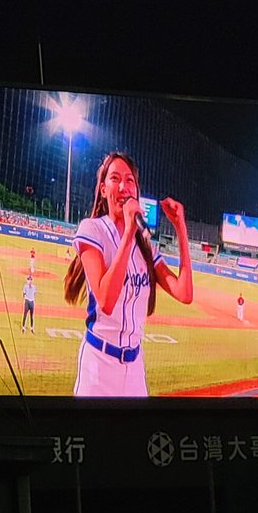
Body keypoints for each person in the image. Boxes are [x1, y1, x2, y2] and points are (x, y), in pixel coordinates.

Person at [64, 151, 193, 397]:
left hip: (134, 368)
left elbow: (184, 293)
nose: (123, 186)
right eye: (115, 178)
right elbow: (106, 301)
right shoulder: (92, 229)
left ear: (136, 191)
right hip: (98, 365)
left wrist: (181, 228)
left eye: (130, 180)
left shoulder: (145, 246)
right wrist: (128, 231)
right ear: (103, 189)